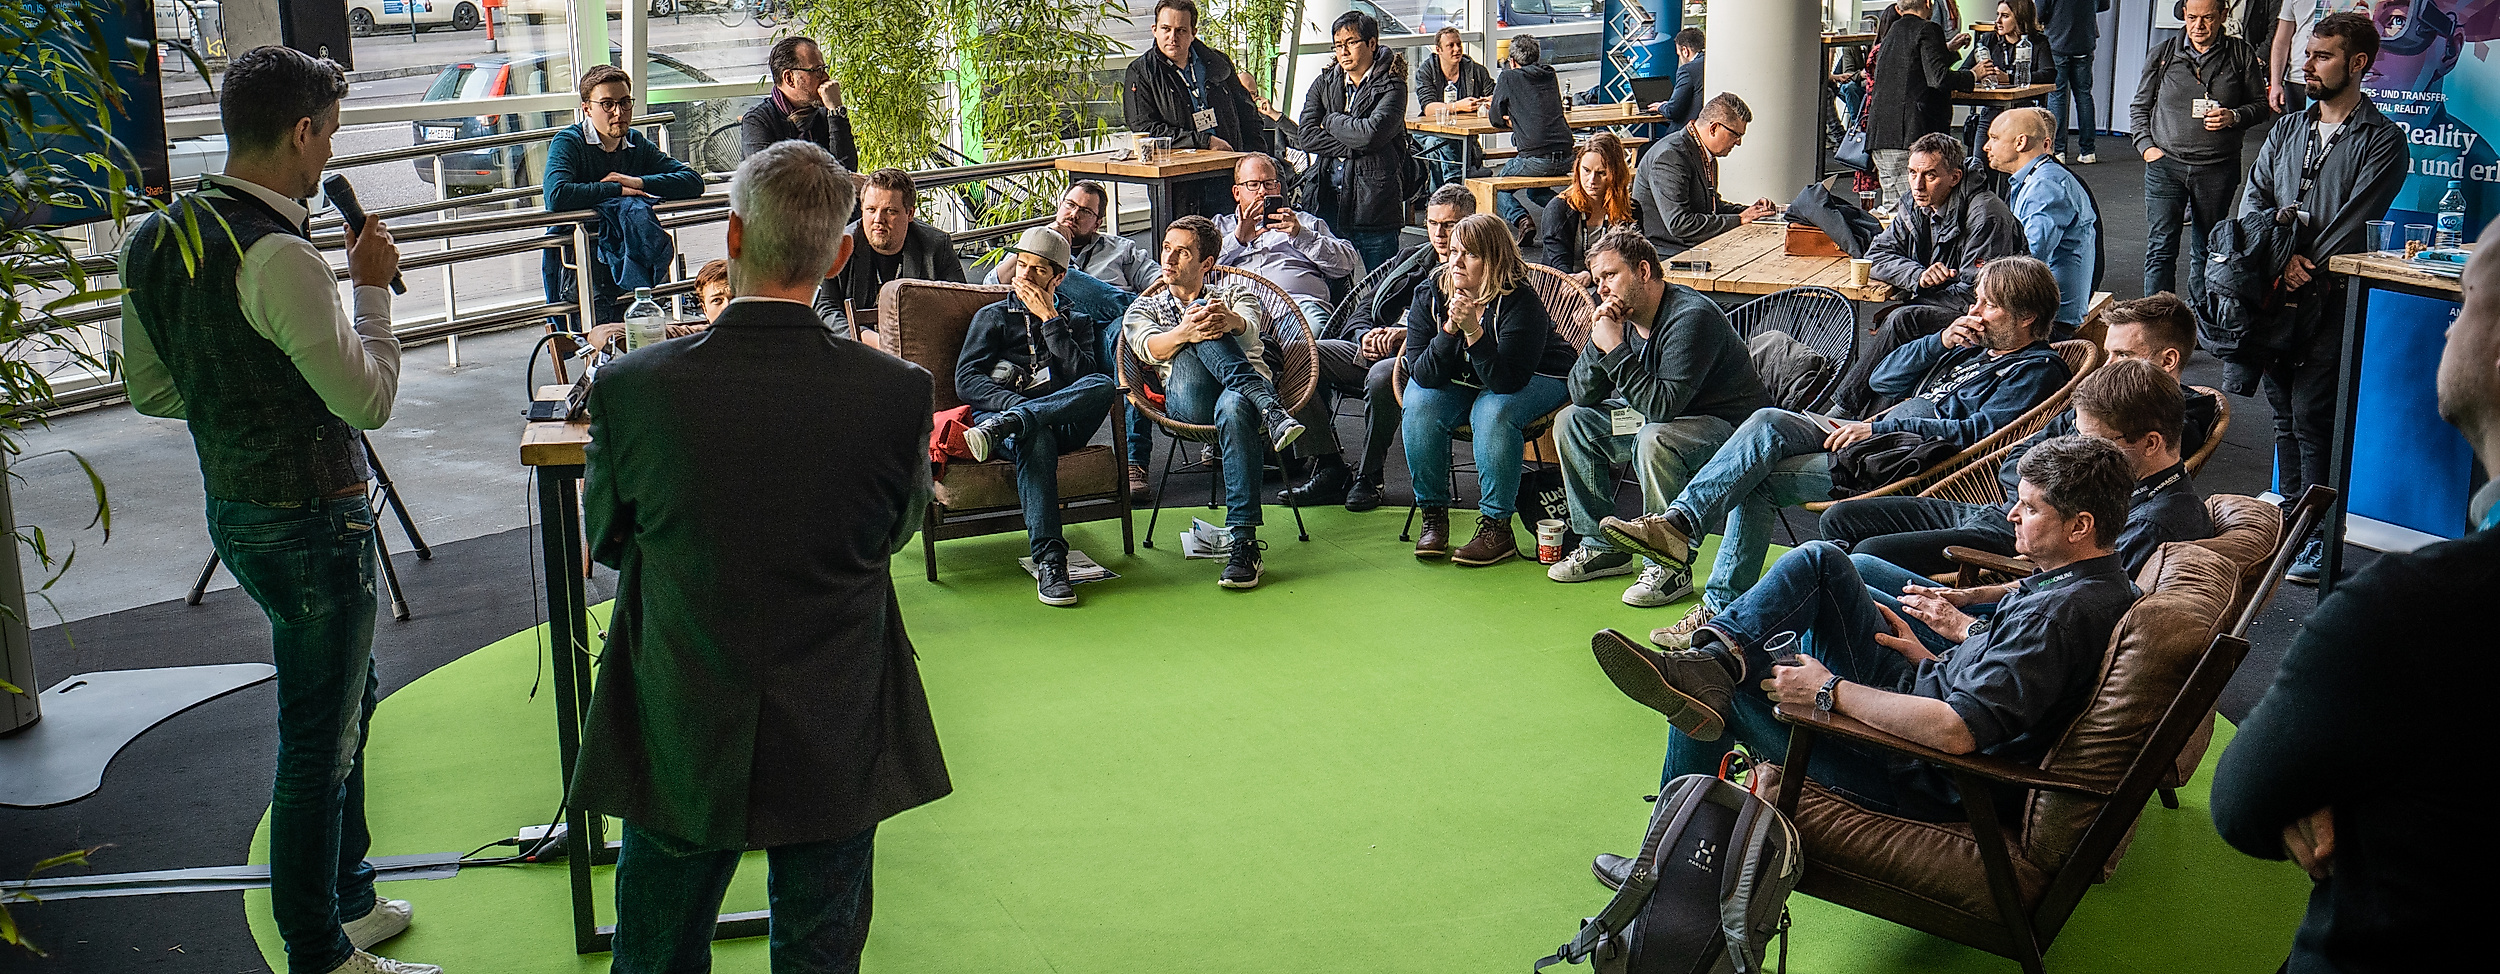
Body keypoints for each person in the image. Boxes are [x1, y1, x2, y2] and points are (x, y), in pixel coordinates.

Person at [570, 141, 949, 974]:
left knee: (657, 953)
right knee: (820, 953)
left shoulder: (632, 389)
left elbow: (609, 539)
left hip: (681, 705)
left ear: (733, 235)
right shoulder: (896, 394)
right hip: (838, 709)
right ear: (840, 255)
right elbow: (891, 535)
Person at [116, 45, 431, 974]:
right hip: (313, 522)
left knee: (345, 699)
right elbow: (368, 400)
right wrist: (369, 287)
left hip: (238, 511)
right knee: (317, 743)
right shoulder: (282, 255)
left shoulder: (155, 240)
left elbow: (150, 390)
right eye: (328, 135)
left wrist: (243, 396)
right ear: (300, 132)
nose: (330, 154)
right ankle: (319, 949)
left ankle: (351, 899)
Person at [1584, 435, 2140, 833]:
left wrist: (1828, 691)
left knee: (1711, 698)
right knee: (1823, 561)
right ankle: (1713, 659)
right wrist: (1934, 655)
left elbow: (1955, 733)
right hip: (1922, 694)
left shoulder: (2057, 617)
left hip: (1913, 767)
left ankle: (1663, 858)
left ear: (2080, 526)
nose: (2012, 515)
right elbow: (2004, 677)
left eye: (2030, 508)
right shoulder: (2090, 582)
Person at [2210, 216, 2500, 974]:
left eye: (2464, 303)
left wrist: (2333, 778)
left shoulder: (2414, 611)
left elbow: (2244, 804)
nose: (2448, 329)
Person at [1603, 257, 2073, 648]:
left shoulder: (2036, 369)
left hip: (1898, 454)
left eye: (1989, 305)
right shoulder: (1971, 349)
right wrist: (1939, 342)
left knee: (1758, 476)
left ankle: (1708, 587)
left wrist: (1880, 426)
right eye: (1976, 301)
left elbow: (1979, 433)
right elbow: (1883, 379)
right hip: (1868, 433)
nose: (1975, 312)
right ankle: (1682, 529)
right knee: (1767, 422)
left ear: (2026, 317)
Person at [1823, 292, 2220, 577]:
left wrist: (2039, 495)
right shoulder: (2104, 400)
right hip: (2001, 509)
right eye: (2109, 352)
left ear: (2168, 360)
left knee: (1866, 554)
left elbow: (2101, 508)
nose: (2107, 365)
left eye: (2122, 355)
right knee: (1841, 519)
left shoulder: (2172, 423)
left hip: (2032, 533)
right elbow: (2015, 460)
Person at [2242, 11, 2407, 584]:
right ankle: (2291, 525)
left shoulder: (2384, 140)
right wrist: (2277, 259)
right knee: (2283, 416)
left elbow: (2355, 220)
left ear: (2357, 64)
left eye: (2321, 56)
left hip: (2328, 300)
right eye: (2307, 54)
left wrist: (2300, 265)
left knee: (2315, 418)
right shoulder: (2287, 129)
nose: (2306, 65)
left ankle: (2318, 537)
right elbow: (2254, 201)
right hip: (2271, 296)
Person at [1846, 358, 2216, 611]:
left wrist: (1964, 623)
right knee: (1851, 559)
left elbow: (2069, 608)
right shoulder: (2140, 494)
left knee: (1851, 569)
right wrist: (1975, 595)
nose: (2079, 449)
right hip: (2009, 610)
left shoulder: (2150, 526)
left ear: (2151, 443)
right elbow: (2056, 580)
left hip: (2001, 635)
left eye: (2093, 441)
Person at [1550, 229, 1771, 608]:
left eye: (1610, 275)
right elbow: (1582, 394)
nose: (1602, 289)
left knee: (1654, 439)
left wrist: (1615, 348)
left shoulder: (1691, 317)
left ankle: (1669, 566)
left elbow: (1661, 408)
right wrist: (1599, 342)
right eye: (1598, 279)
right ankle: (1602, 547)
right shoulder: (1622, 317)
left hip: (1731, 431)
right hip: (1662, 416)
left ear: (1643, 271)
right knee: (1572, 422)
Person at [1124, 215, 1311, 590]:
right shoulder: (1144, 308)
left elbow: (1251, 329)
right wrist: (1186, 331)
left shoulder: (1237, 295)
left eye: (1182, 252)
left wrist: (1228, 320)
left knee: (1234, 405)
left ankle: (1244, 544)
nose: (1168, 258)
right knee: (1199, 325)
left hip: (1235, 402)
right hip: (1189, 399)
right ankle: (1270, 408)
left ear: (1206, 263)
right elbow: (1148, 348)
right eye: (1166, 248)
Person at [1282, 184, 1479, 511]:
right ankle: (1329, 466)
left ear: (1470, 223)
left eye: (1450, 225)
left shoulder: (1476, 267)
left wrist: (1404, 337)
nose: (1439, 234)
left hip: (1426, 363)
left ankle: (1369, 476)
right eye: (1432, 223)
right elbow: (1363, 307)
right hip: (1375, 349)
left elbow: (1465, 332)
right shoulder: (1411, 258)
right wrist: (1364, 335)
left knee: (1381, 376)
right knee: (1296, 354)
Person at [953, 228, 1122, 606]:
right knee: (1036, 435)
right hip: (1004, 424)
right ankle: (1051, 561)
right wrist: (1015, 407)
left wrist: (1050, 319)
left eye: (1038, 270)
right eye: (1022, 266)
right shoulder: (992, 316)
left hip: (1051, 421)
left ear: (1058, 278)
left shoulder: (1077, 321)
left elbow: (1083, 378)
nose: (1025, 276)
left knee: (1101, 384)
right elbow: (967, 380)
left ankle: (1019, 420)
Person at [1403, 212, 1579, 565]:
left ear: (1494, 259)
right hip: (1469, 378)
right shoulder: (1431, 293)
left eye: (1470, 254)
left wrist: (1473, 331)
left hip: (1541, 375)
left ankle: (1497, 527)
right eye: (1454, 251)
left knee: (1492, 410)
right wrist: (1450, 329)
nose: (1456, 262)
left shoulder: (1520, 301)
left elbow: (1506, 382)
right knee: (1420, 403)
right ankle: (1433, 514)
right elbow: (1421, 374)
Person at [1834, 132, 2028, 418]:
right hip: (1950, 302)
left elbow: (1979, 295)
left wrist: (1921, 294)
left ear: (1955, 177)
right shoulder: (1915, 203)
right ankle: (1866, 421)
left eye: (1930, 175)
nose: (1917, 184)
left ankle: (1843, 411)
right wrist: (1918, 275)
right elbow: (1875, 256)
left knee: (1904, 320)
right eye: (1912, 172)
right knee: (1902, 326)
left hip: (1994, 317)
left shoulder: (1986, 215)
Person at [542, 64, 704, 326]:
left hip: (626, 255)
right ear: (587, 108)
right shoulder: (569, 142)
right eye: (607, 104)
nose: (619, 112)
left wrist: (637, 181)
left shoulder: (635, 143)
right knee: (591, 333)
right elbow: (557, 195)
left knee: (632, 330)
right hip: (580, 261)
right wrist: (616, 189)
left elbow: (692, 181)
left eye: (625, 102)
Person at [2129, 0, 2268, 304]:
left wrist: (2234, 116)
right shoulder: (2163, 53)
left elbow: (2261, 107)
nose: (2198, 26)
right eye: (2192, 17)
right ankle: (2156, 318)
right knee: (2161, 248)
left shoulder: (2240, 54)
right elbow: (2140, 106)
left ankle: (2202, 317)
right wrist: (2146, 148)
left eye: (2207, 18)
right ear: (2184, 15)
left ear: (2223, 15)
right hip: (2166, 165)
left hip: (2218, 168)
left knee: (2207, 248)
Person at [1256, 9, 1409, 272]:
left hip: (1374, 205)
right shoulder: (1325, 82)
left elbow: (1370, 135)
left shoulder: (1392, 85)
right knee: (1331, 284)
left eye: (1351, 42)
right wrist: (1357, 144)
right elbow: (1306, 136)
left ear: (1372, 43)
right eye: (1338, 45)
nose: (1343, 51)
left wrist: (1330, 120)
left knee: (1382, 285)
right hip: (1327, 201)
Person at [1124, 0, 1264, 213]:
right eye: (1166, 29)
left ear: (1193, 33)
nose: (1172, 37)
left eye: (1181, 30)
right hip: (1179, 183)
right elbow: (1145, 129)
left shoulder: (1217, 62)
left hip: (1229, 172)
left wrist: (1257, 159)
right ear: (1154, 30)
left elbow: (1248, 114)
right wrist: (1204, 141)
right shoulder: (1141, 72)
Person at [816, 167, 967, 349]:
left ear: (910, 213)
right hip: (858, 351)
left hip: (918, 349)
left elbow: (961, 306)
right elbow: (825, 310)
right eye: (871, 209)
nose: (878, 219)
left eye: (890, 211)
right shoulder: (840, 245)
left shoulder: (936, 246)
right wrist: (875, 341)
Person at [1983, 108, 2098, 333]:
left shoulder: (2045, 187)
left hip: (2047, 322)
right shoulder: (2040, 178)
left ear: (2020, 142)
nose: (1986, 146)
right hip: (2043, 312)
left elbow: (2027, 262)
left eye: (1994, 138)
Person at [1214, 153, 1363, 324]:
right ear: (1236, 192)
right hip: (1235, 314)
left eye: (1269, 184)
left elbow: (1346, 264)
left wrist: (1301, 235)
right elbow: (1195, 272)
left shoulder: (1304, 222)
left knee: (1315, 332)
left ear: (1278, 188)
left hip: (1297, 309)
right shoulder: (1219, 227)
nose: (1262, 191)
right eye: (1253, 184)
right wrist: (1237, 240)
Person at [1631, 93, 1778, 258]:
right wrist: (1739, 219)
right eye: (1736, 135)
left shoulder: (1702, 152)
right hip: (1667, 256)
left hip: (1694, 250)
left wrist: (1752, 211)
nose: (1738, 142)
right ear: (1714, 128)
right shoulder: (1670, 156)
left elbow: (1712, 206)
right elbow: (1679, 224)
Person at [1867, 0, 1976, 211]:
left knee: (1894, 211)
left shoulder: (1892, 31)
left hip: (1882, 134)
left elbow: (1914, 67)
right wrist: (1973, 75)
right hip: (1911, 133)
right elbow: (1938, 78)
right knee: (1915, 212)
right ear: (1928, 3)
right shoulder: (1929, 29)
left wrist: (1947, 50)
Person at [987, 181, 1160, 294]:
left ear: (1097, 224)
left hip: (1110, 323)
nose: (1074, 214)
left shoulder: (1121, 249)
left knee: (1062, 276)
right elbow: (990, 285)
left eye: (1085, 211)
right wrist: (1036, 247)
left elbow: (1159, 280)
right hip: (1059, 321)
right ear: (1059, 207)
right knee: (1063, 277)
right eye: (1070, 205)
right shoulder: (1034, 243)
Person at [1487, 33, 1575, 225]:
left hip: (1537, 158)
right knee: (1536, 191)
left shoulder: (1508, 76)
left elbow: (1495, 117)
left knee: (1497, 188)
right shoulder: (1549, 73)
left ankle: (1521, 220)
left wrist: (1513, 120)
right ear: (1537, 57)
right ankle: (1570, 211)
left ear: (1512, 61)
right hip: (1568, 157)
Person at [738, 35, 857, 169]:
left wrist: (836, 112)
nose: (826, 77)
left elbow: (846, 171)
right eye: (817, 71)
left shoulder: (825, 113)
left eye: (824, 69)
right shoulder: (759, 120)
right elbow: (768, 177)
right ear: (789, 78)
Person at [1951, 0, 2055, 150]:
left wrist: (2009, 79)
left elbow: (2049, 74)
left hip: (2023, 110)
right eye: (1997, 15)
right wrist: (1979, 73)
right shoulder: (1989, 40)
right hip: (1992, 109)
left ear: (2020, 17)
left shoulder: (2038, 42)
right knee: (1980, 157)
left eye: (2005, 16)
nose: (1998, 21)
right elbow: (1965, 69)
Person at [1541, 132, 1644, 276]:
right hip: (1566, 282)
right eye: (1586, 170)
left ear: (1617, 174)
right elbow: (1558, 264)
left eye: (1601, 173)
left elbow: (1633, 258)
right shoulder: (1559, 208)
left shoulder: (1631, 209)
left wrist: (1592, 276)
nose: (1592, 180)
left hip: (1612, 281)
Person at [1415, 25, 1497, 188]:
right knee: (1435, 140)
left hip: (1464, 137)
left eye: (1459, 44)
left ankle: (1441, 194)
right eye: (1450, 45)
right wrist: (1457, 106)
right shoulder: (1426, 71)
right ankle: (1455, 181)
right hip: (1431, 131)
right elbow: (1428, 108)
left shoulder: (1475, 70)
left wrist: (1485, 102)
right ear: (1438, 50)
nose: (1457, 49)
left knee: (1433, 145)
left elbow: (1496, 96)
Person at [2034, 0, 2106, 162]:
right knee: (2084, 96)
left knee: (2057, 95)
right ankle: (2088, 151)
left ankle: (2058, 151)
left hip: (2058, 40)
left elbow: (2040, 12)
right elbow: (2103, 5)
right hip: (2085, 40)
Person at [1651, 28, 1706, 127]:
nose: (1680, 59)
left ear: (1685, 50)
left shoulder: (1687, 70)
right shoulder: (1710, 63)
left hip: (1689, 130)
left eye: (1679, 55)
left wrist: (1661, 107)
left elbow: (1672, 111)